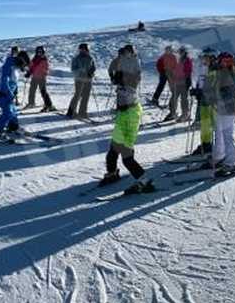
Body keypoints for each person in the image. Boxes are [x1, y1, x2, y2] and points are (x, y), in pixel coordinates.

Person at [99, 45, 154, 193]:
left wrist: (122, 76)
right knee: (112, 150)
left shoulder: (134, 69)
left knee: (126, 156)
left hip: (131, 114)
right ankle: (112, 173)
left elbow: (134, 76)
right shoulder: (121, 66)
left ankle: (144, 181)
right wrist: (114, 73)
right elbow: (113, 68)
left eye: (125, 55)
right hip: (123, 114)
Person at [205, 52, 235, 175]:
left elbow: (228, 93)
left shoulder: (232, 73)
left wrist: (215, 98)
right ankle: (219, 156)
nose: (222, 63)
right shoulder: (222, 73)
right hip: (221, 109)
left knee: (227, 135)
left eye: (226, 61)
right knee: (219, 133)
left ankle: (232, 162)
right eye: (222, 61)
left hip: (228, 109)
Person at [0, 50, 31, 139]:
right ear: (21, 61)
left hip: (9, 93)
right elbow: (4, 81)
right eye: (24, 65)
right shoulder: (8, 66)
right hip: (1, 93)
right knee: (8, 112)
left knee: (13, 111)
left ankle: (13, 126)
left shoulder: (15, 66)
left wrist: (15, 91)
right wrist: (9, 93)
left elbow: (14, 81)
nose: (23, 67)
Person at [191, 49, 217, 154]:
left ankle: (217, 146)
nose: (204, 59)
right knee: (205, 123)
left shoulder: (215, 69)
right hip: (204, 99)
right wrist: (195, 89)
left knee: (213, 123)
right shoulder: (202, 67)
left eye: (206, 57)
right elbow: (197, 79)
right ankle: (206, 144)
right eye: (203, 57)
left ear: (212, 58)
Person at [67, 43, 96, 119]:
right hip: (79, 79)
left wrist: (91, 73)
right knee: (77, 95)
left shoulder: (90, 58)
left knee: (86, 96)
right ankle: (71, 111)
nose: (82, 50)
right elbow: (73, 69)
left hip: (88, 80)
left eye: (84, 49)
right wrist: (81, 71)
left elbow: (93, 67)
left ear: (87, 50)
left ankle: (82, 112)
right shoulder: (76, 58)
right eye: (81, 49)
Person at [25, 46, 56, 112]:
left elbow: (46, 69)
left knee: (43, 92)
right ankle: (31, 103)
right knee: (32, 90)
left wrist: (43, 74)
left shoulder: (44, 60)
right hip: (34, 78)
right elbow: (31, 67)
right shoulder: (34, 59)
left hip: (41, 78)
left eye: (41, 52)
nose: (39, 53)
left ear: (43, 52)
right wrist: (28, 73)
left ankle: (49, 105)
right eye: (38, 52)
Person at [165, 46, 192, 122]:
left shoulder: (187, 60)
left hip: (184, 82)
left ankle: (185, 114)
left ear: (184, 53)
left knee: (183, 99)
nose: (180, 53)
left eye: (181, 52)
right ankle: (173, 113)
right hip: (177, 82)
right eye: (180, 52)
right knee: (174, 98)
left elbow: (188, 71)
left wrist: (182, 77)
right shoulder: (179, 60)